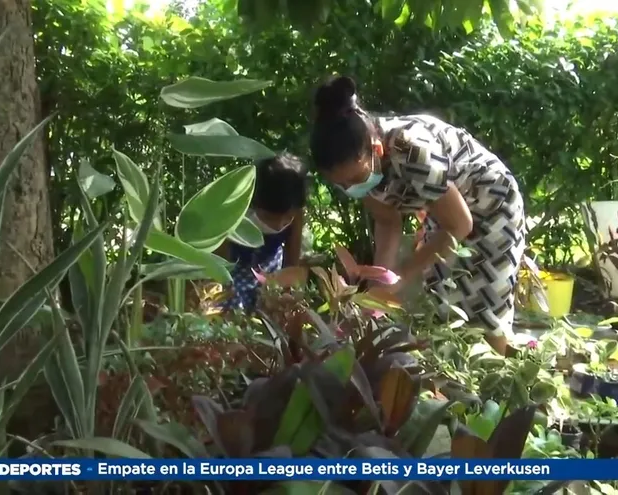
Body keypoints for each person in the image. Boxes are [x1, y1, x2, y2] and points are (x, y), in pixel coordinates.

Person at [309, 76, 527, 354]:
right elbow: (387, 222)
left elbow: (459, 225)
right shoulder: (357, 162)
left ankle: (506, 378)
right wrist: (379, 287)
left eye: (354, 179)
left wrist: (399, 278)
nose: (350, 188)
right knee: (446, 307)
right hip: (446, 212)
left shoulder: (413, 150)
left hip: (492, 204)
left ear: (375, 149)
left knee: (488, 313)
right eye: (341, 184)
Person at [217, 153, 307, 312]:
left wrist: (285, 291)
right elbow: (219, 263)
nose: (279, 226)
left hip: (270, 267)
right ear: (255, 203)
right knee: (230, 310)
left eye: (287, 218)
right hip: (233, 269)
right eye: (269, 218)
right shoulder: (236, 213)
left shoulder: (297, 214)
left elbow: (292, 263)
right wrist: (224, 288)